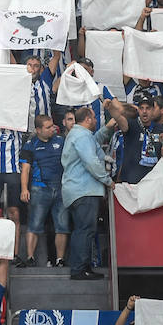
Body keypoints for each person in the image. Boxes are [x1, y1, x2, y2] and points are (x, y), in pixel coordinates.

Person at [61, 106, 109, 281]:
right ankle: (79, 270)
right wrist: (108, 181)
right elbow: (91, 161)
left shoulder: (78, 134)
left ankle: (84, 267)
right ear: (88, 119)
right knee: (84, 230)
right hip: (84, 189)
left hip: (77, 190)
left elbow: (94, 142)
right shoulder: (82, 135)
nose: (96, 121)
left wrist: (108, 128)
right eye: (95, 118)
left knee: (84, 230)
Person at [18, 114, 68, 268]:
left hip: (60, 188)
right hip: (39, 189)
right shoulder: (30, 145)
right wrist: (24, 189)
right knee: (34, 224)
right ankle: (30, 257)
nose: (52, 129)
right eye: (48, 127)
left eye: (52, 125)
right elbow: (25, 170)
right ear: (38, 130)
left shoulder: (61, 140)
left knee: (62, 225)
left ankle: (60, 259)